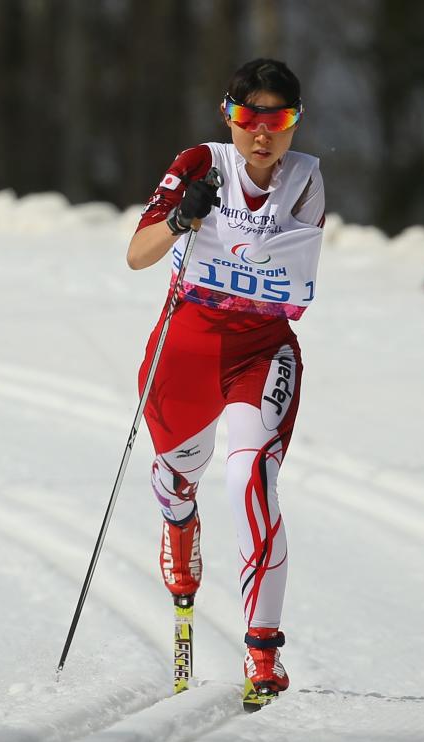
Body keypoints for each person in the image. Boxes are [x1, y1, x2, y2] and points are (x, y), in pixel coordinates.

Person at [126, 58, 325, 705]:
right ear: (228, 115)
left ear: (294, 122)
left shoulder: (305, 181)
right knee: (177, 472)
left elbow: (291, 289)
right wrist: (184, 218)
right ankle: (179, 521)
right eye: (248, 117)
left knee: (251, 478)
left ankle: (263, 652)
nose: (261, 134)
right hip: (188, 346)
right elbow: (137, 254)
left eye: (278, 119)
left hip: (262, 352)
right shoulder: (200, 164)